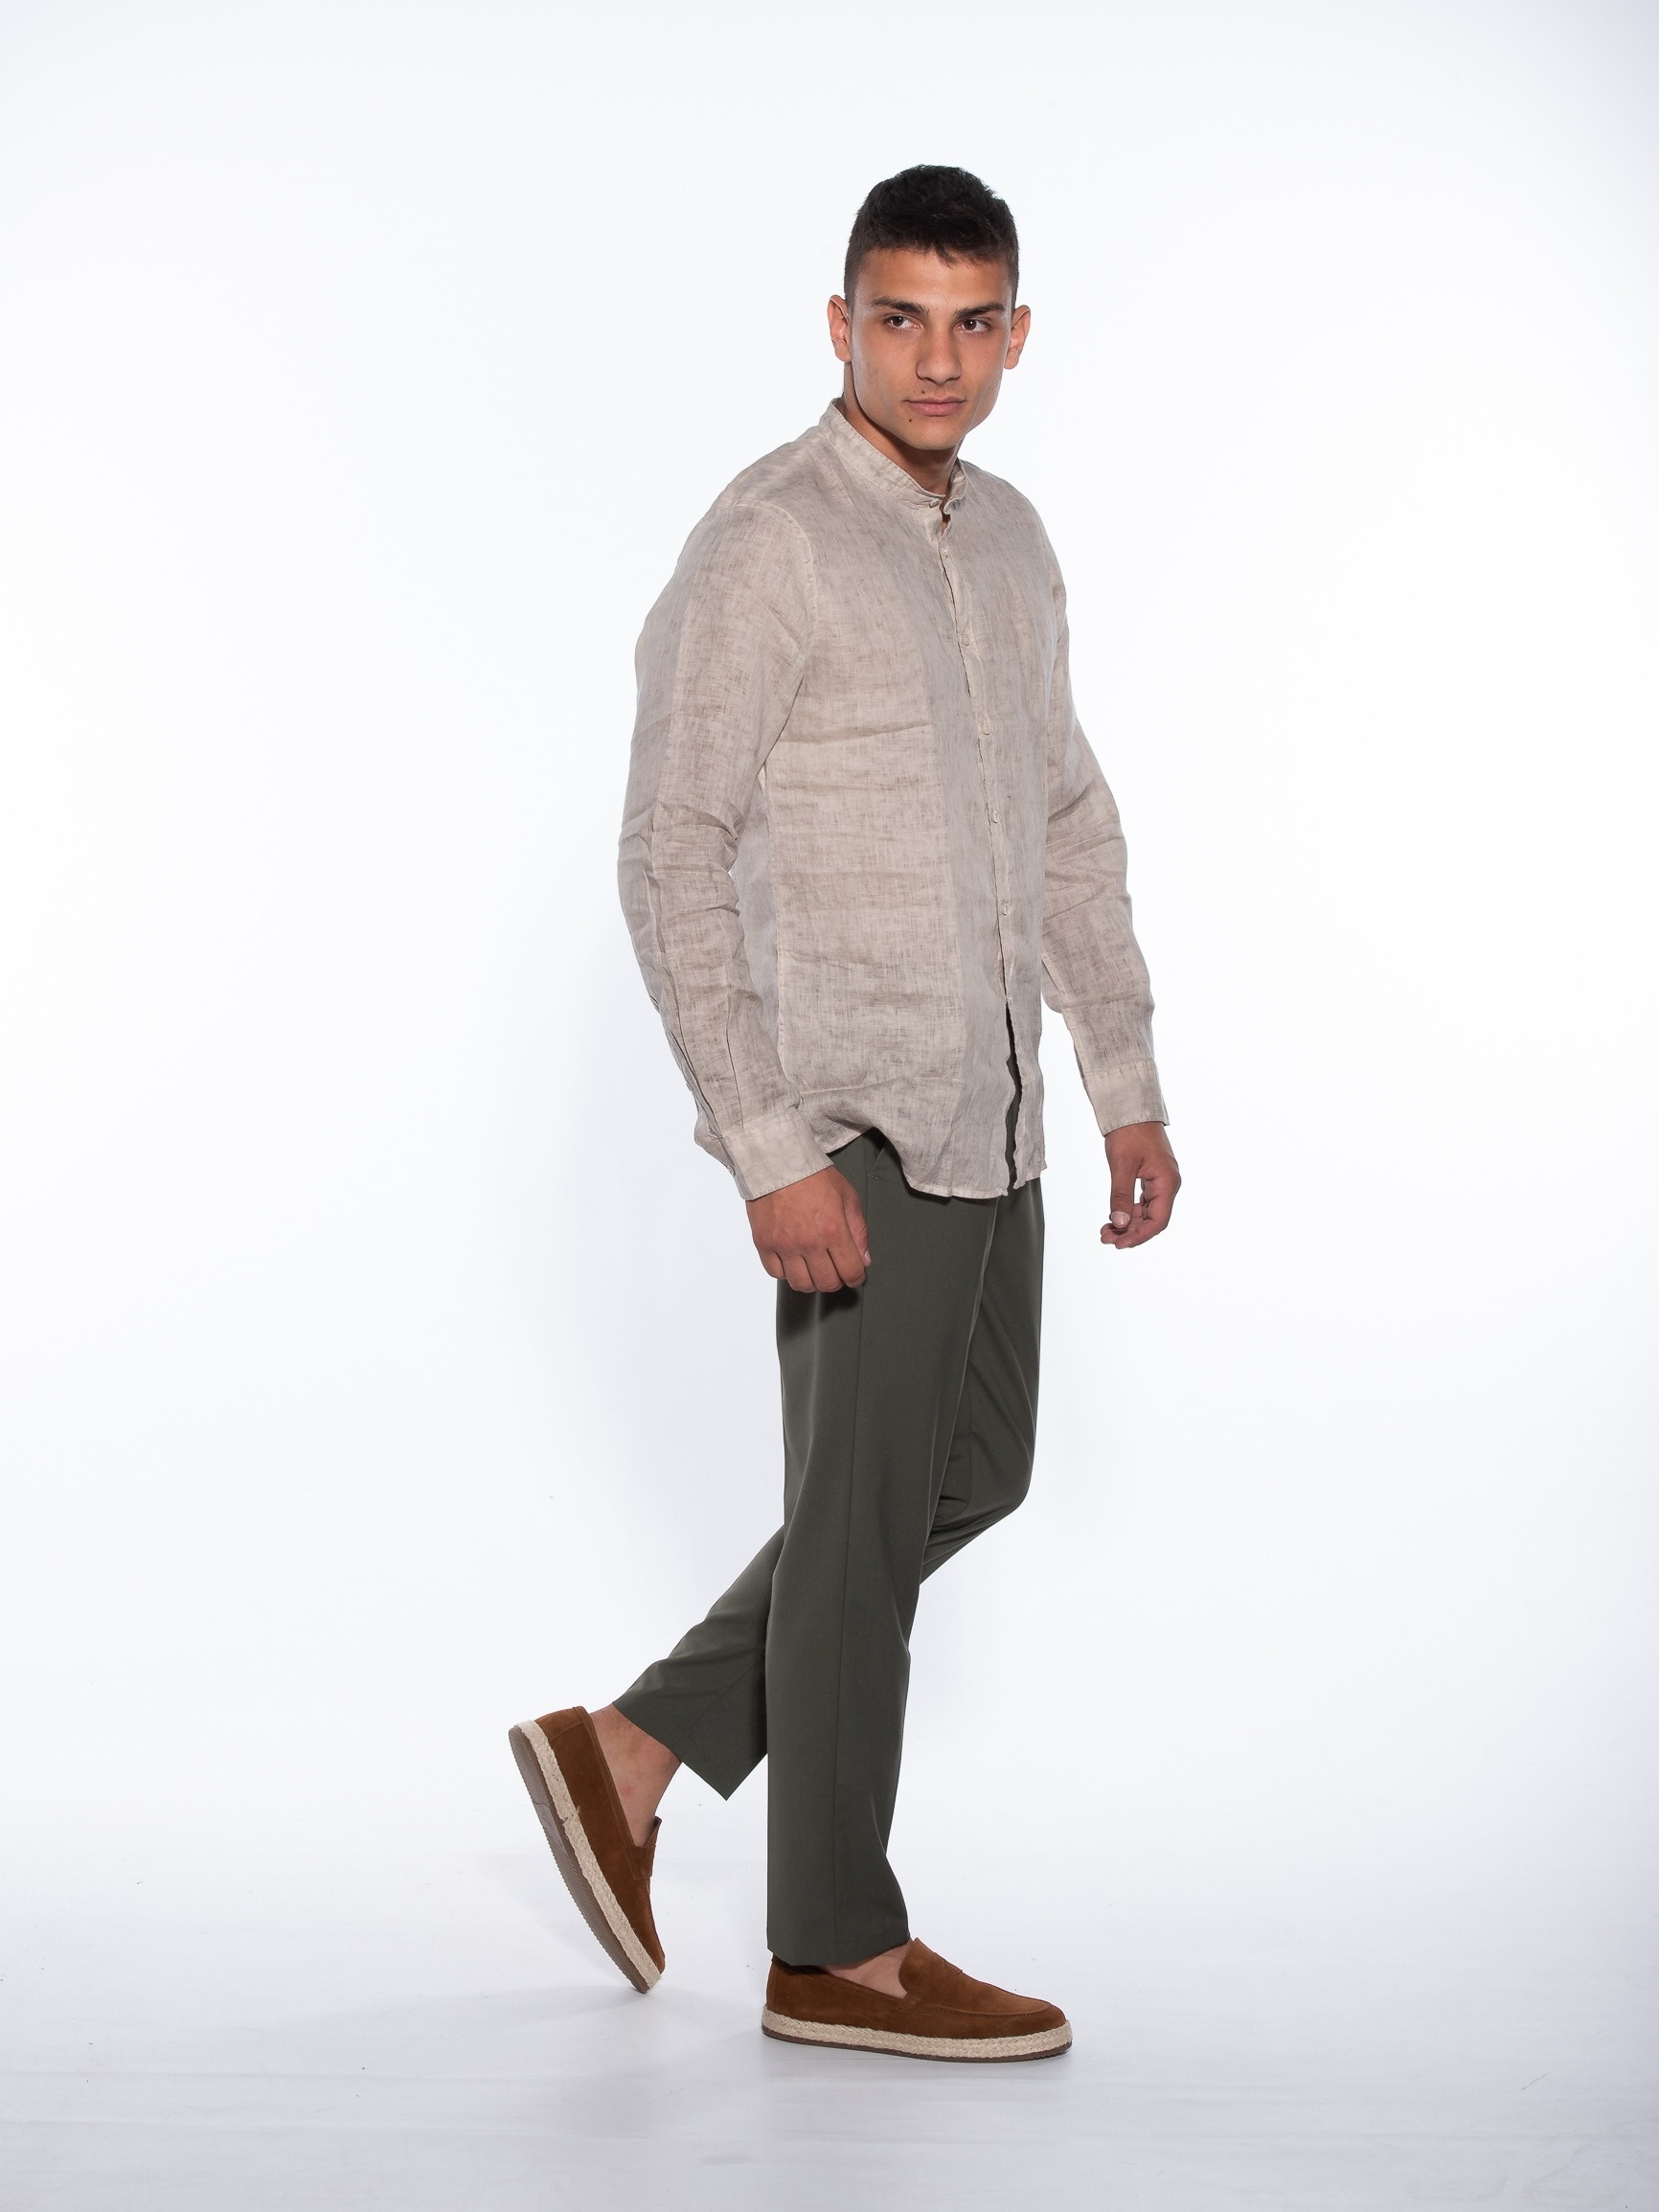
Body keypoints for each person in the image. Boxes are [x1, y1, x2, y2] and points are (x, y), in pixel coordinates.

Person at [510, 164, 1179, 2064]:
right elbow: (669, 852)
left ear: (1017, 334)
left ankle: (630, 1750)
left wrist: (1121, 1078)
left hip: (995, 1113)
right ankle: (831, 1945)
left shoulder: (1013, 541)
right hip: (856, 1124)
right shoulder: (767, 543)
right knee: (866, 1523)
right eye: (899, 319)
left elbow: (1066, 819)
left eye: (971, 323)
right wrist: (770, 1145)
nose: (935, 358)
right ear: (840, 325)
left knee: (959, 1477)